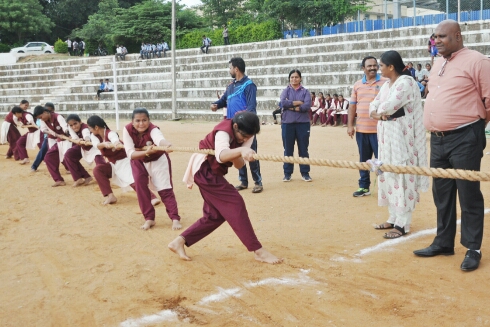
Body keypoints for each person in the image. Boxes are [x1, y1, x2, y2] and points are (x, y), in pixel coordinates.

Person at [414, 20, 490, 272]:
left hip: (465, 138)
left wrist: (473, 127)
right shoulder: (438, 63)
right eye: (435, 37)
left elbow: (488, 100)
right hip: (438, 140)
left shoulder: (477, 61)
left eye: (442, 37)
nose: (436, 41)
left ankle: (472, 248)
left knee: (468, 194)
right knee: (442, 194)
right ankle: (443, 242)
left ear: (458, 36)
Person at [168, 111, 283, 264]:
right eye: (243, 136)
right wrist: (241, 150)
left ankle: (180, 241)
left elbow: (239, 164)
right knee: (235, 202)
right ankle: (258, 251)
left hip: (212, 172)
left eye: (249, 137)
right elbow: (221, 156)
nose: (246, 139)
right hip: (204, 169)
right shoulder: (223, 131)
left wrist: (242, 153)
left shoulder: (249, 135)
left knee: (214, 215)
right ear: (235, 126)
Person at [368, 50, 429, 239]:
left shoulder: (406, 82)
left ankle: (403, 223)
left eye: (381, 66)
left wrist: (380, 112)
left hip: (402, 137)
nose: (379, 69)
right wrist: (379, 113)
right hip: (386, 135)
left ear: (391, 67)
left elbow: (388, 107)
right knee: (388, 174)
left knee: (402, 176)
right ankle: (393, 217)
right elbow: (373, 107)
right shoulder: (387, 84)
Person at [122, 108, 182, 230]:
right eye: (137, 120)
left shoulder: (153, 129)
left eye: (144, 120)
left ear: (149, 121)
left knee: (164, 188)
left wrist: (167, 145)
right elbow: (130, 154)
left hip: (158, 159)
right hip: (138, 159)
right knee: (140, 187)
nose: (141, 123)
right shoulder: (127, 130)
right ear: (132, 122)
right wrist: (145, 153)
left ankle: (175, 218)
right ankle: (149, 218)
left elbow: (160, 139)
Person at [211, 57, 263, 193]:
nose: (229, 71)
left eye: (230, 68)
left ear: (236, 69)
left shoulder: (249, 85)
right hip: (232, 128)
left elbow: (252, 108)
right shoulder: (230, 86)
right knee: (237, 154)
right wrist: (216, 104)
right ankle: (244, 181)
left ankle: (258, 182)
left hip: (245, 127)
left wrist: (244, 121)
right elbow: (223, 101)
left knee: (251, 154)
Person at [87, 115, 161, 206]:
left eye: (90, 128)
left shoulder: (110, 133)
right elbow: (96, 145)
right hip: (113, 163)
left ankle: (151, 197)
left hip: (125, 160)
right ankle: (110, 196)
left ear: (96, 127)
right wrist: (104, 144)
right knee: (98, 170)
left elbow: (115, 139)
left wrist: (116, 143)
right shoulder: (94, 136)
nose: (89, 130)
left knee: (131, 179)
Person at [347, 56, 387, 197]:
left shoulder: (385, 82)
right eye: (369, 66)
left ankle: (386, 188)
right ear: (363, 68)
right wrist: (350, 125)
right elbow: (352, 106)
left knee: (381, 160)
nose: (372, 68)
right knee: (363, 160)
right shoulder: (357, 85)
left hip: (380, 130)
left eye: (374, 65)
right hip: (362, 130)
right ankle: (364, 187)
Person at [279, 69, 312, 182]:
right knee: (288, 149)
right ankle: (287, 173)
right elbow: (283, 103)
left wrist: (290, 105)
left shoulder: (305, 92)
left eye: (296, 77)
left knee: (303, 149)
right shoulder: (285, 91)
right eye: (292, 77)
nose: (294, 79)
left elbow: (306, 106)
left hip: (303, 123)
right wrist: (298, 103)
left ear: (300, 78)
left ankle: (305, 173)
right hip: (287, 123)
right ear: (289, 79)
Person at [33, 106, 71, 187]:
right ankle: (58, 179)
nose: (41, 119)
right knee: (49, 157)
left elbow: (65, 128)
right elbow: (43, 130)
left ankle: (80, 175)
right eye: (39, 118)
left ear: (45, 112)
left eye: (41, 117)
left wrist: (67, 135)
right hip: (55, 139)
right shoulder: (43, 120)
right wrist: (55, 134)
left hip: (66, 140)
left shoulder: (58, 117)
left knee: (66, 156)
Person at [64, 114, 105, 187]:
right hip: (83, 146)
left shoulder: (85, 128)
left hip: (94, 146)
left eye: (75, 124)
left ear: (80, 122)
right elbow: (75, 137)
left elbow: (86, 135)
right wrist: (77, 140)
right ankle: (80, 177)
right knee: (69, 154)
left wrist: (86, 140)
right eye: (71, 125)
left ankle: (104, 179)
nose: (73, 127)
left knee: (100, 162)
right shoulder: (70, 127)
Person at [31, 102, 54, 172]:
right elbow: (42, 128)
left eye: (50, 110)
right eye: (47, 110)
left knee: (60, 152)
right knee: (42, 151)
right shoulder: (41, 119)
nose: (48, 112)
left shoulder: (56, 117)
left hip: (58, 138)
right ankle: (34, 166)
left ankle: (68, 167)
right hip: (48, 137)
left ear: (53, 110)